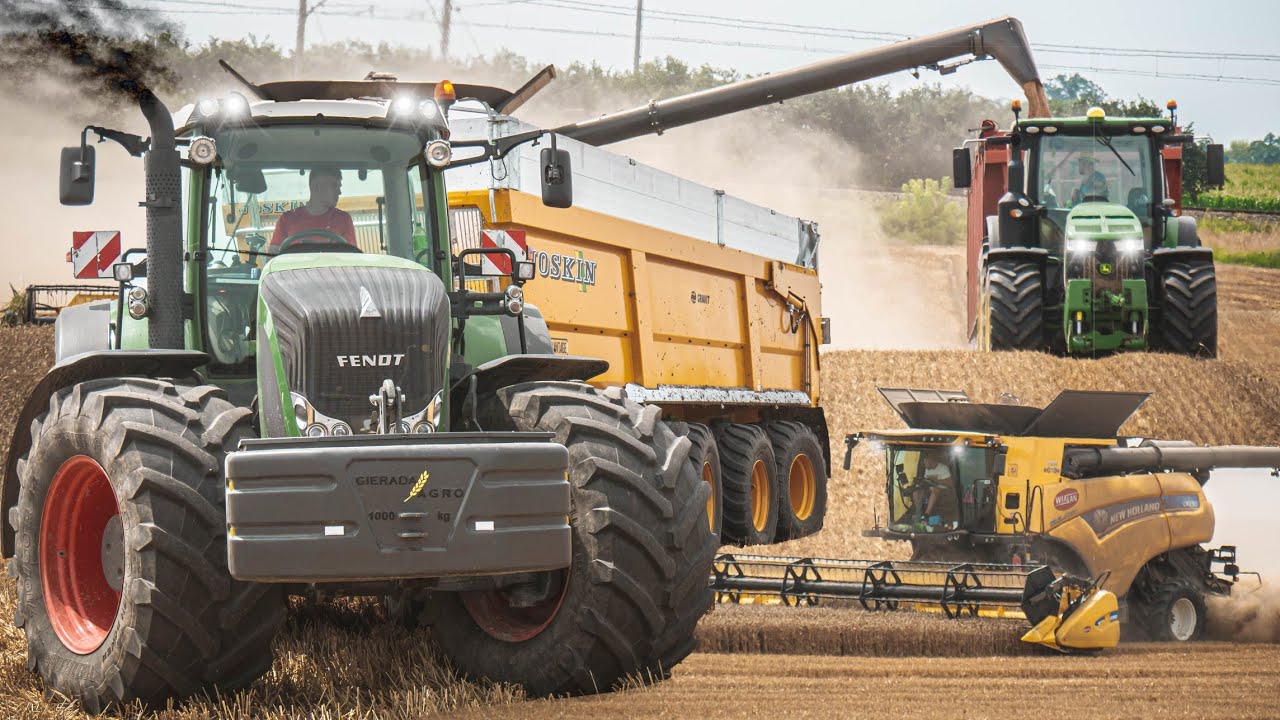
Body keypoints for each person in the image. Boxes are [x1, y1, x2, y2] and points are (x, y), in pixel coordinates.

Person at [269, 167, 357, 252]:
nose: (339, 192)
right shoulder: (286, 219)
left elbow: (352, 257)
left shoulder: (343, 219)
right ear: (317, 187)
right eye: (334, 186)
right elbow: (272, 258)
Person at [914, 450, 958, 527]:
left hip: (943, 490)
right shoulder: (927, 470)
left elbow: (950, 483)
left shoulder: (943, 468)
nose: (924, 464)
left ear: (930, 460)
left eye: (925, 462)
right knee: (916, 492)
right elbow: (926, 481)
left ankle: (926, 515)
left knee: (935, 490)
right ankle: (919, 513)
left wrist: (936, 480)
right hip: (929, 489)